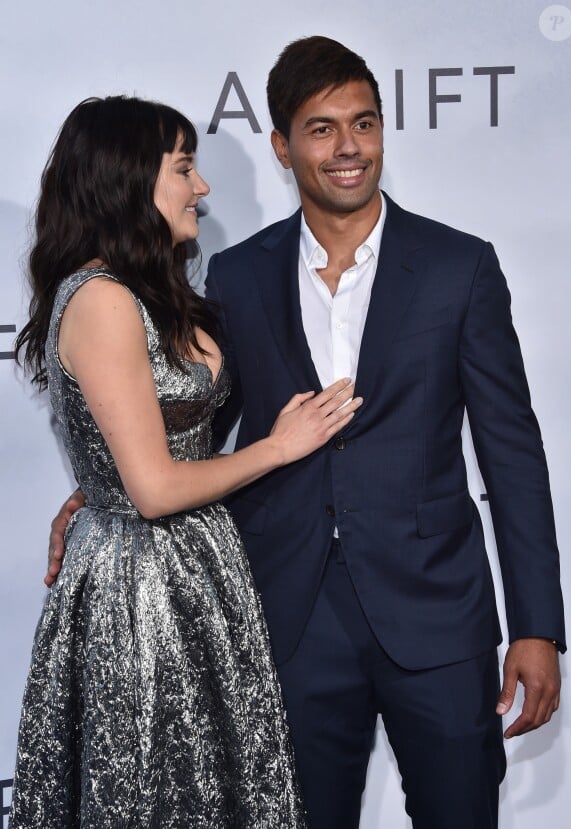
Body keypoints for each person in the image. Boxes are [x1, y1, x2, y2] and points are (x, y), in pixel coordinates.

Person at [47, 38, 566, 829]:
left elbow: (515, 456)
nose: (349, 147)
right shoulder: (239, 274)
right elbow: (196, 424)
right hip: (287, 616)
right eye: (322, 129)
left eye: (364, 123)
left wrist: (536, 624)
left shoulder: (461, 267)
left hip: (437, 617)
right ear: (282, 147)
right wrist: (101, 484)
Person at [10, 95, 363, 829]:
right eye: (184, 168)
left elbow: (151, 442)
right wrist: (277, 446)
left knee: (212, 789)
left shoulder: (153, 292)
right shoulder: (102, 300)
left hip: (199, 572)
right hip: (139, 590)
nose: (202, 188)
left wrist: (91, 487)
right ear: (129, 180)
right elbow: (153, 487)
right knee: (155, 790)